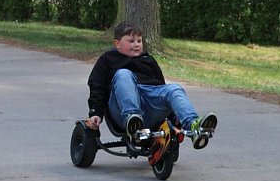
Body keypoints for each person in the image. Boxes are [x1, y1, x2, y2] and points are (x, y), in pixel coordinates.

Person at [87, 21, 217, 149]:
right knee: (123, 74)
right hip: (121, 108)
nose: (136, 45)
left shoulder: (148, 60)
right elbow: (96, 85)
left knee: (174, 89)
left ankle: (194, 128)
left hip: (150, 104)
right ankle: (133, 121)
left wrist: (174, 119)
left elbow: (161, 89)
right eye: (131, 41)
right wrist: (95, 112)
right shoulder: (108, 59)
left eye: (139, 41)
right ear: (117, 44)